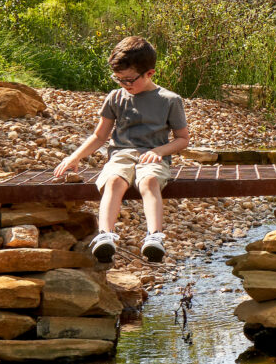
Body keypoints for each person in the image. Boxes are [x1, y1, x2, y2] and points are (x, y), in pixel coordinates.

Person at [53, 35, 189, 263]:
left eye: (129, 80)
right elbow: (99, 135)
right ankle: (105, 235)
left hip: (154, 157)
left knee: (148, 182)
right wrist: (74, 156)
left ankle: (155, 237)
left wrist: (160, 151)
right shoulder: (115, 98)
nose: (124, 85)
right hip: (121, 154)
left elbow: (182, 139)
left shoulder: (169, 100)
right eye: (118, 79)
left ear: (150, 73)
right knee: (114, 181)